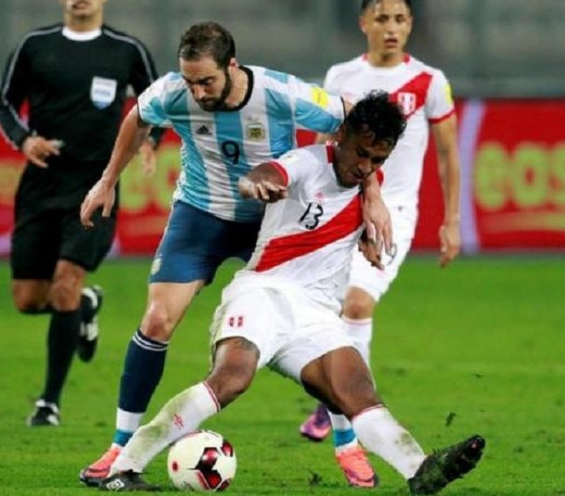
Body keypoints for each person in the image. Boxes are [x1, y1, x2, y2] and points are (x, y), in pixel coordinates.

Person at [98, 91, 485, 494]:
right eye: (361, 154)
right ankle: (124, 466)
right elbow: (271, 173)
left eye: (377, 160)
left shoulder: (369, 184)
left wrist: (367, 223)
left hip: (316, 316)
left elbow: (364, 189)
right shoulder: (306, 163)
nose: (365, 167)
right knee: (232, 378)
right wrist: (257, 184)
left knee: (356, 391)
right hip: (263, 294)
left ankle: (420, 470)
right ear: (341, 135)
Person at [78, 21, 391, 485]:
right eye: (189, 81)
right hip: (200, 215)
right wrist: (107, 181)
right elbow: (137, 119)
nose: (197, 91)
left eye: (206, 80)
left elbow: (356, 128)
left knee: (319, 325)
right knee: (158, 321)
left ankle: (348, 447)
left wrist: (372, 197)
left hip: (273, 220)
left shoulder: (281, 92)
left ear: (231, 65)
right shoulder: (172, 92)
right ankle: (119, 448)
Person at [298, 0, 462, 489]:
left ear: (410, 25)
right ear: (363, 23)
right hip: (346, 204)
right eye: (382, 17)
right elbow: (332, 144)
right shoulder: (341, 77)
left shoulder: (430, 82)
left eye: (400, 19)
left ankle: (344, 408)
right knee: (327, 308)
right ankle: (337, 403)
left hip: (398, 210)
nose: (392, 26)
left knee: (357, 305)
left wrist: (451, 219)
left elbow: (449, 156)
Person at [0, 0, 160, 427]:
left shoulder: (126, 50)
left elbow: (156, 102)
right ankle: (87, 304)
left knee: (66, 282)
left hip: (96, 186)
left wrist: (152, 140)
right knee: (28, 298)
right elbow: (4, 103)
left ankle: (48, 402)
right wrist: (24, 139)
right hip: (40, 186)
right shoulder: (34, 46)